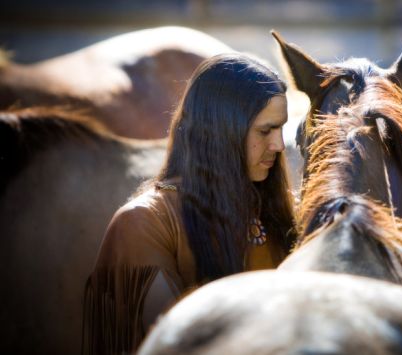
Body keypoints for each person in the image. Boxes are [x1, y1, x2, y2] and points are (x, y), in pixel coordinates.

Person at [82, 53, 297, 354]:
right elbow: (174, 342)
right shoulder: (144, 223)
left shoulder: (280, 211)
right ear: (219, 131)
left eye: (280, 128)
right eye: (265, 131)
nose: (278, 145)